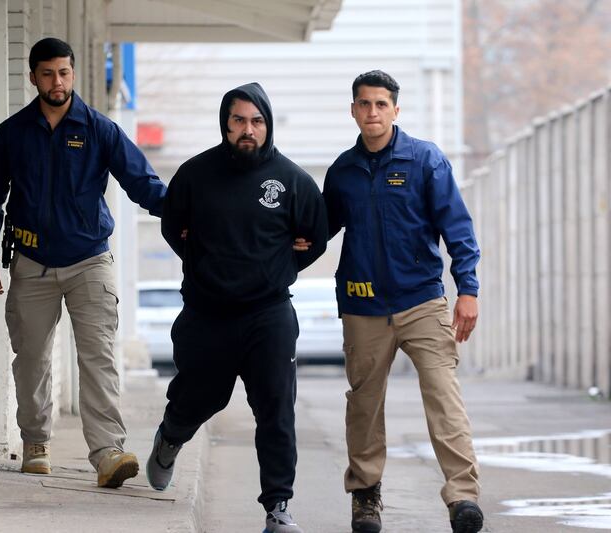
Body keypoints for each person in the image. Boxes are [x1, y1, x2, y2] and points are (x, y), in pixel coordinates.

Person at [0, 37, 166, 488]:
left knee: (98, 357)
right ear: (33, 77)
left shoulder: (100, 129)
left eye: (63, 72)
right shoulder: (12, 133)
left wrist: (188, 214)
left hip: (89, 261)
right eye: (47, 74)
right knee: (32, 359)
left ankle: (108, 452)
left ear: (73, 74)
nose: (56, 82)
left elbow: (143, 183)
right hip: (32, 262)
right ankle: (36, 443)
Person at [145, 82, 328, 533]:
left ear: (267, 124)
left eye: (257, 121)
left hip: (269, 314)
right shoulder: (194, 175)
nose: (249, 129)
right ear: (225, 124)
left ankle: (278, 507)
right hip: (207, 313)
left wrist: (278, 266)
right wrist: (206, 265)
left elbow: (315, 239)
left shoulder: (293, 181)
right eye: (239, 120)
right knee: (201, 396)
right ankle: (171, 436)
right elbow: (173, 228)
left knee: (275, 410)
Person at [321, 70, 483, 533]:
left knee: (444, 396)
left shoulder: (425, 160)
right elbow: (317, 231)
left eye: (381, 104)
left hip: (422, 302)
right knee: (364, 405)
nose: (372, 112)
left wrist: (467, 290)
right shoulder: (342, 171)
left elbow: (457, 227)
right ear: (353, 110)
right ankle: (365, 496)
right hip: (363, 307)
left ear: (395, 109)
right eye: (364, 104)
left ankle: (463, 497)